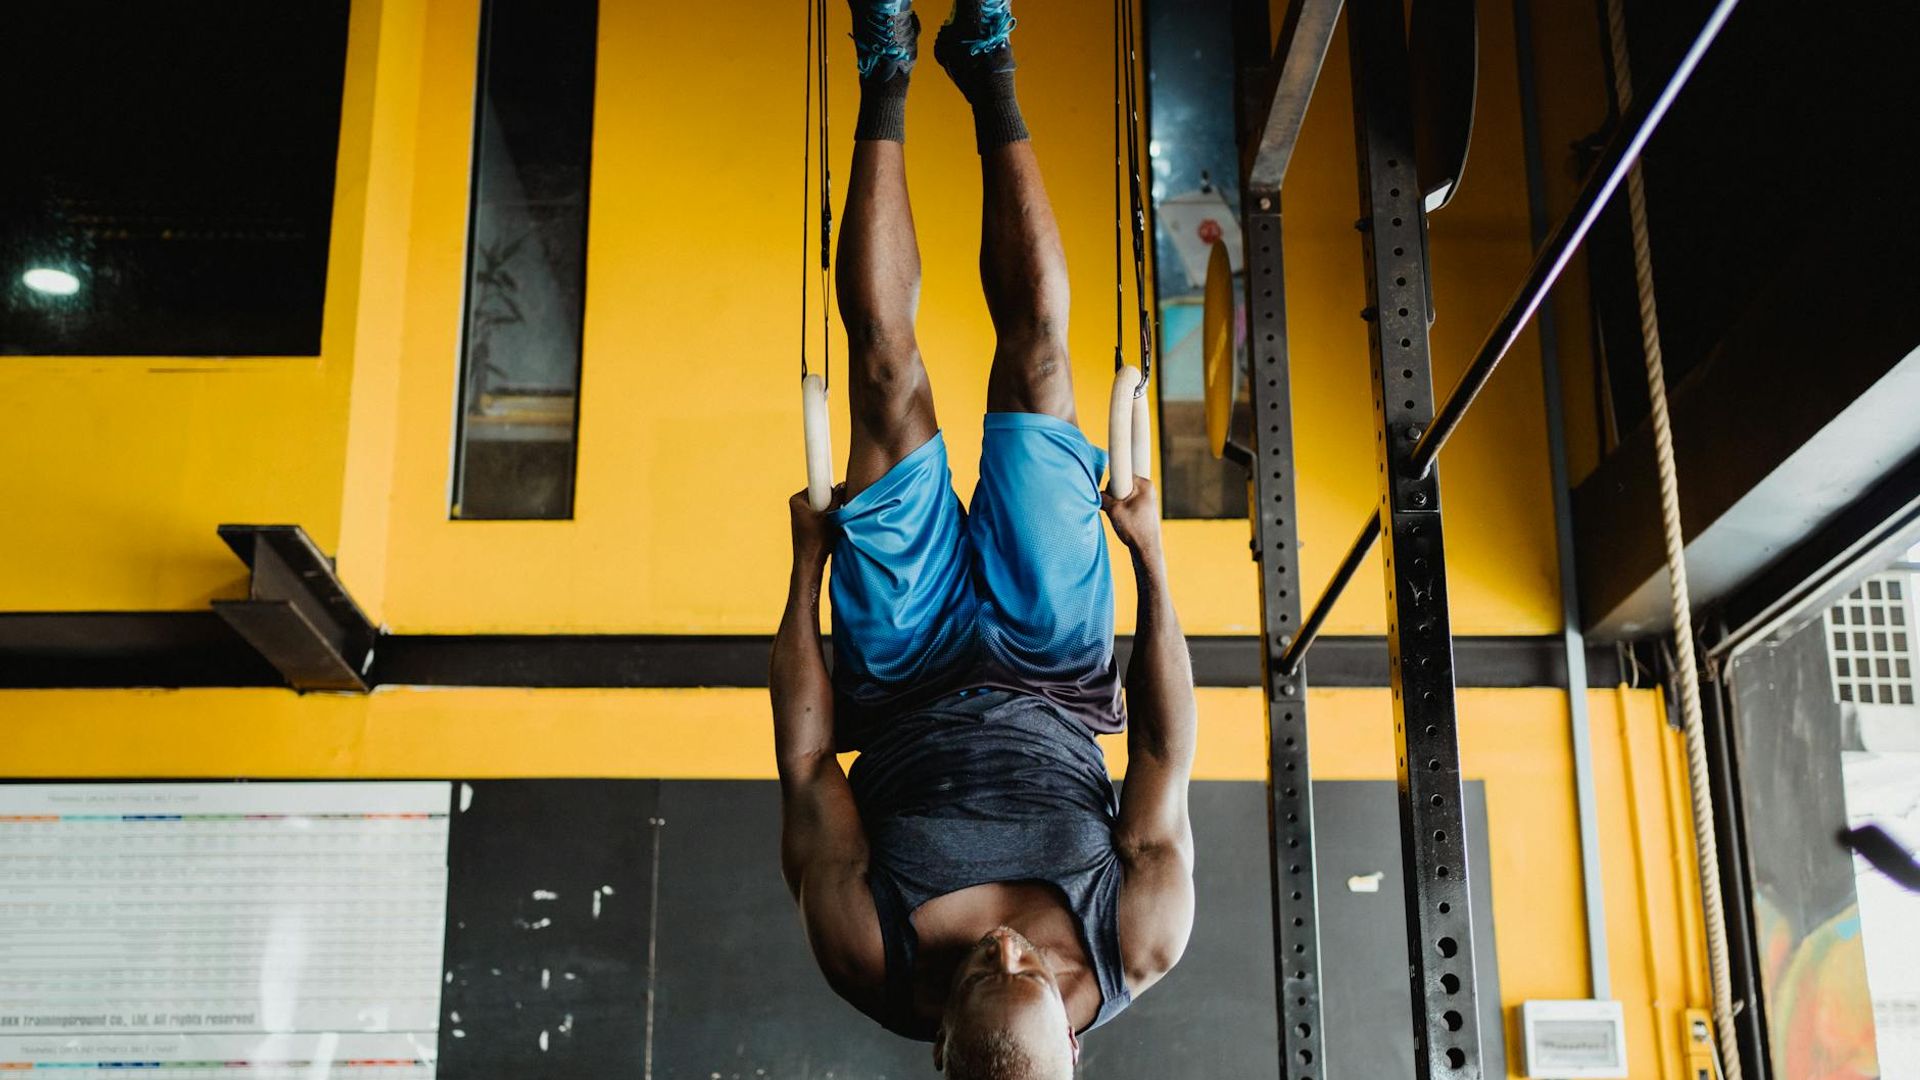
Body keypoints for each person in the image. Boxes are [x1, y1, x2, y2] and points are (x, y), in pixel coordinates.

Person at [770, 0, 1198, 1075]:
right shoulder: (1136, 938)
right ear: (1072, 1035)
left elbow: (811, 759)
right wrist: (1148, 556)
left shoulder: (868, 951)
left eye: (979, 969)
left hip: (903, 669)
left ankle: (886, 70)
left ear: (941, 1042)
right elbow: (1161, 751)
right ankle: (990, 64)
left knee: (883, 376)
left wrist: (805, 569)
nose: (1007, 944)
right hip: (1055, 666)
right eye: (1033, 970)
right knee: (1043, 362)